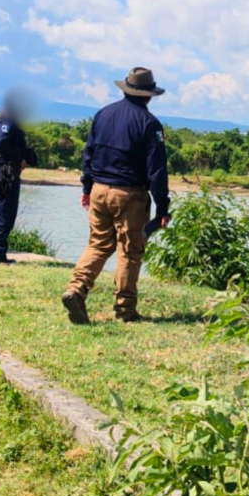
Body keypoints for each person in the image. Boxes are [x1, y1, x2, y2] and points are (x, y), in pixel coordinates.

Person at [61, 67, 171, 325]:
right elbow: (157, 171)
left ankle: (76, 289)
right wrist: (162, 208)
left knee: (98, 244)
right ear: (149, 95)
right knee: (130, 252)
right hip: (130, 195)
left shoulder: (103, 115)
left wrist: (86, 188)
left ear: (127, 89)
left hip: (99, 190)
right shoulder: (150, 123)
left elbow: (88, 153)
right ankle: (125, 311)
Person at [0, 98, 32, 265]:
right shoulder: (7, 122)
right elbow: (1, 143)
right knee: (5, 213)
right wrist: (19, 158)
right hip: (6, 172)